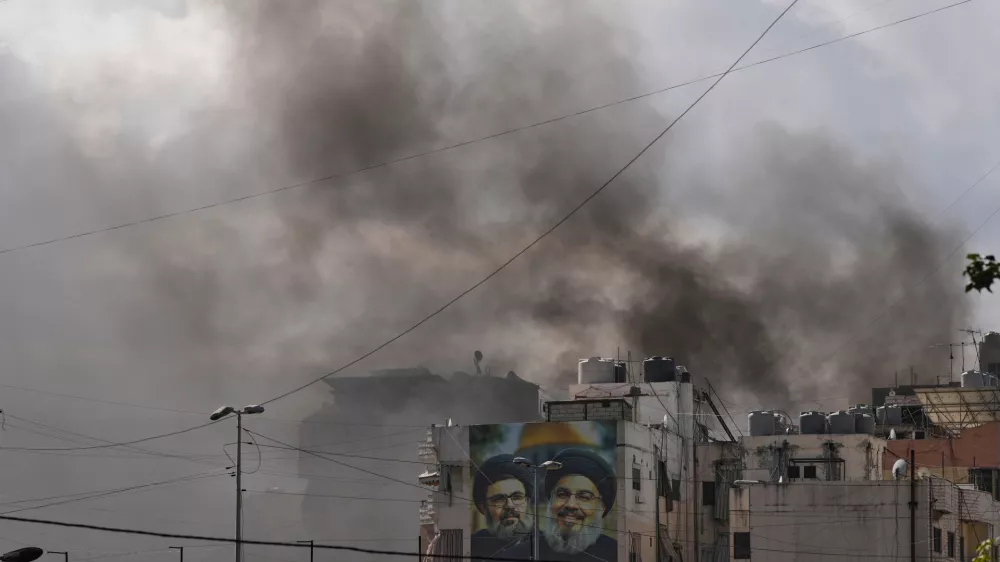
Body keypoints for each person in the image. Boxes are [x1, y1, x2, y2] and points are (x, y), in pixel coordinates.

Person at [538, 448, 618, 562]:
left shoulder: (617, 554)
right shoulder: (525, 552)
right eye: (562, 494)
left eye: (584, 497)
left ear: (602, 509)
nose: (571, 505)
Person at [471, 454, 534, 560]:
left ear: (527, 501)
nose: (510, 505)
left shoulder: (545, 545)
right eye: (499, 499)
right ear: (483, 508)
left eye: (517, 497)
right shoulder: (472, 547)